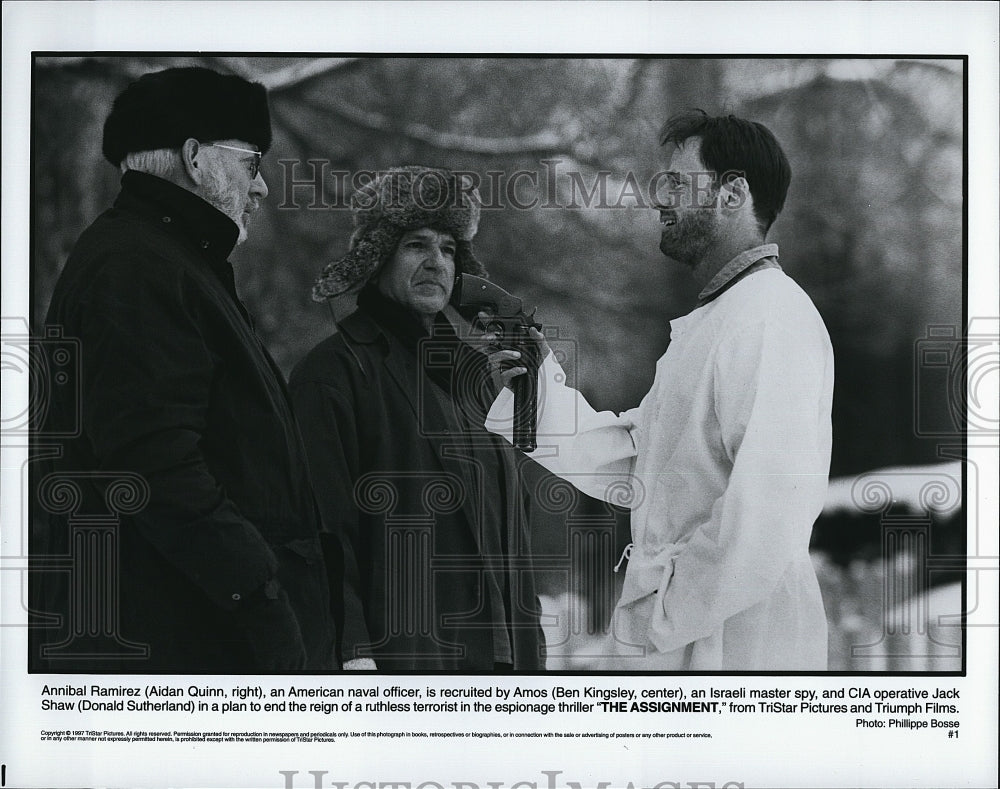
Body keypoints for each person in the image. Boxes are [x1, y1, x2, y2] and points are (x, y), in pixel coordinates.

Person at [488, 111, 834, 670]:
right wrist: (535, 388)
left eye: (677, 181)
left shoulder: (770, 317)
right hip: (687, 635)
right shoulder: (724, 316)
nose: (659, 198)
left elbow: (769, 511)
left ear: (733, 192)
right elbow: (644, 468)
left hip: (738, 646)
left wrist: (661, 613)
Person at [31, 66, 338, 672]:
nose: (261, 188)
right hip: (181, 645)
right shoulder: (136, 269)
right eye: (252, 161)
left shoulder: (167, 261)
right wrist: (259, 592)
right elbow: (152, 460)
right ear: (196, 158)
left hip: (195, 630)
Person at [290, 166, 545, 671]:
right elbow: (322, 535)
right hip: (403, 669)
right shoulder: (333, 375)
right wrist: (352, 652)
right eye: (415, 245)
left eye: (448, 249)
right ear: (378, 254)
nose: (436, 263)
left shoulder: (477, 384)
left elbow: (513, 543)